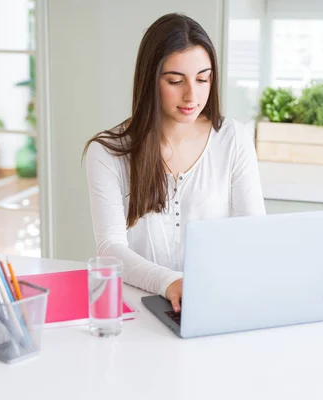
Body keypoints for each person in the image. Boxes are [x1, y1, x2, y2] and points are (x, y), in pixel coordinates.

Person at [83, 13, 266, 312]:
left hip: (211, 301)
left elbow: (254, 233)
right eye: (175, 80)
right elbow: (110, 250)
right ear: (150, 80)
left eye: (203, 78)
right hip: (137, 306)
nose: (191, 94)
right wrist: (170, 282)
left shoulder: (234, 138)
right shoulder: (107, 152)